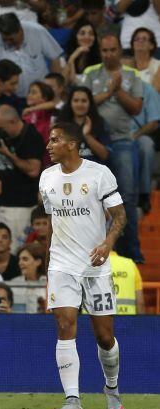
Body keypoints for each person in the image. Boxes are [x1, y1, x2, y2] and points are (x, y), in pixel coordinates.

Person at [39, 121, 127, 409]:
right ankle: (72, 400)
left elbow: (119, 216)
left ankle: (111, 388)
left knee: (104, 336)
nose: (49, 145)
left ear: (72, 144)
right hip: (62, 265)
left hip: (95, 265)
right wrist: (47, 262)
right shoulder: (47, 178)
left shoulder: (99, 174)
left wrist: (108, 243)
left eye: (54, 140)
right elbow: (53, 222)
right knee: (65, 326)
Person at [83, 34, 143, 262]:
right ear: (100, 51)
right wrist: (109, 92)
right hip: (93, 140)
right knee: (93, 199)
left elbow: (137, 108)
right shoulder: (90, 73)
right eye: (105, 50)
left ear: (120, 50)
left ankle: (132, 253)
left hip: (122, 140)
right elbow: (82, 100)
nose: (109, 54)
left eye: (113, 50)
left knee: (126, 196)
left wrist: (118, 91)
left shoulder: (132, 74)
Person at [0, 105, 46, 252]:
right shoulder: (3, 137)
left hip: (20, 206)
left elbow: (33, 170)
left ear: (13, 122)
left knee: (15, 249)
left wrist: (9, 154)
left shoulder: (31, 137)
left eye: (0, 127)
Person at [0, 13, 63, 99]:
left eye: (11, 39)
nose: (8, 42)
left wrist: (54, 91)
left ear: (20, 30)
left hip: (42, 96)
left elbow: (55, 58)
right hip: (10, 98)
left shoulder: (37, 30)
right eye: (5, 39)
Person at [57, 85, 111, 164]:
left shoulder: (99, 123)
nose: (80, 104)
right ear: (70, 103)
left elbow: (105, 155)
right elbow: (57, 156)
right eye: (76, 100)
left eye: (84, 101)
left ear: (90, 103)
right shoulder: (61, 125)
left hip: (94, 171)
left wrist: (87, 136)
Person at [9, 242, 47, 313]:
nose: (20, 263)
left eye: (25, 259)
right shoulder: (14, 284)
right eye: (19, 259)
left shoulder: (49, 283)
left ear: (38, 262)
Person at [110, 250, 144, 315]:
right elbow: (140, 303)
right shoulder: (130, 264)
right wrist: (141, 323)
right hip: (128, 320)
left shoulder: (89, 265)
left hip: (93, 320)